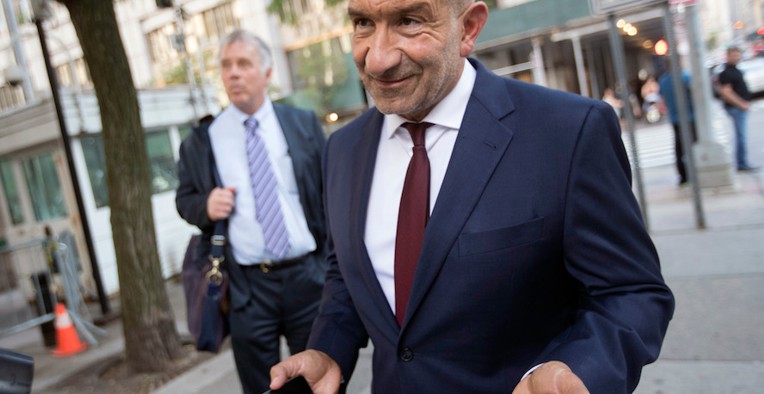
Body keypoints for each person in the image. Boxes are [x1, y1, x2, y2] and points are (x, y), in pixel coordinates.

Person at [269, 1, 674, 393]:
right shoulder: (342, 150)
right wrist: (328, 349)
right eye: (362, 23)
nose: (377, 59)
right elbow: (346, 275)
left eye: (409, 21)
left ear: (469, 28)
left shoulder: (568, 131)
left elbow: (631, 292)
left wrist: (578, 367)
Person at [175, 29, 327, 394]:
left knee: (319, 380)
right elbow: (185, 200)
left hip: (307, 278)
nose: (233, 73)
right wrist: (205, 206)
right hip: (247, 287)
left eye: (244, 64)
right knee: (262, 386)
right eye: (226, 65)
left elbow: (329, 192)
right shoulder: (202, 139)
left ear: (268, 73)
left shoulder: (302, 124)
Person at [719, 46, 759, 171]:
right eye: (734, 55)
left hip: (740, 106)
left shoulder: (736, 69)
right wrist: (741, 104)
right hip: (736, 108)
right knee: (741, 136)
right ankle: (741, 163)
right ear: (728, 56)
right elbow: (726, 92)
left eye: (738, 55)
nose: (736, 57)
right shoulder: (726, 72)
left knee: (741, 136)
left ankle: (742, 162)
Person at [658, 69, 698, 185]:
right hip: (689, 116)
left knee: (679, 147)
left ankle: (683, 175)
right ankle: (691, 173)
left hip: (675, 118)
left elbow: (661, 99)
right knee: (691, 146)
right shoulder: (685, 77)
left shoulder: (663, 80)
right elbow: (694, 94)